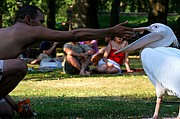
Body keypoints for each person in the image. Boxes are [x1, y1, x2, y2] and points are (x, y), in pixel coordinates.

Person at [0, 5, 134, 117]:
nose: (43, 26)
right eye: (41, 21)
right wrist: (110, 31)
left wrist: (16, 106)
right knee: (20, 66)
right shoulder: (28, 30)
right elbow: (74, 35)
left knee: (7, 113)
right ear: (28, 19)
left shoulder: (10, 35)